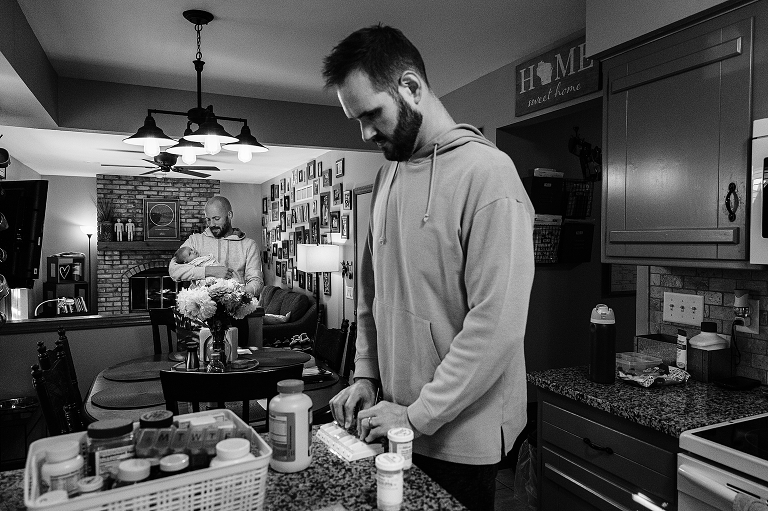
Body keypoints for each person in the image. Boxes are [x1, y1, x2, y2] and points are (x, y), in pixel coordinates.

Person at [323, 25, 535, 511]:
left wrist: (417, 415)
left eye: (372, 113)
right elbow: (372, 298)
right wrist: (364, 376)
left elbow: (496, 327)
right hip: (396, 421)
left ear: (412, 87)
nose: (365, 133)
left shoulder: (490, 176)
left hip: (461, 440)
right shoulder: (386, 176)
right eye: (356, 119)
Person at [168, 196, 264, 298]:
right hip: (200, 309)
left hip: (235, 308)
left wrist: (236, 294)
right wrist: (209, 271)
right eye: (208, 219)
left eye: (216, 219)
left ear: (230, 215)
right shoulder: (194, 241)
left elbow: (256, 282)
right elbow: (174, 271)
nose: (211, 224)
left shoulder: (249, 245)